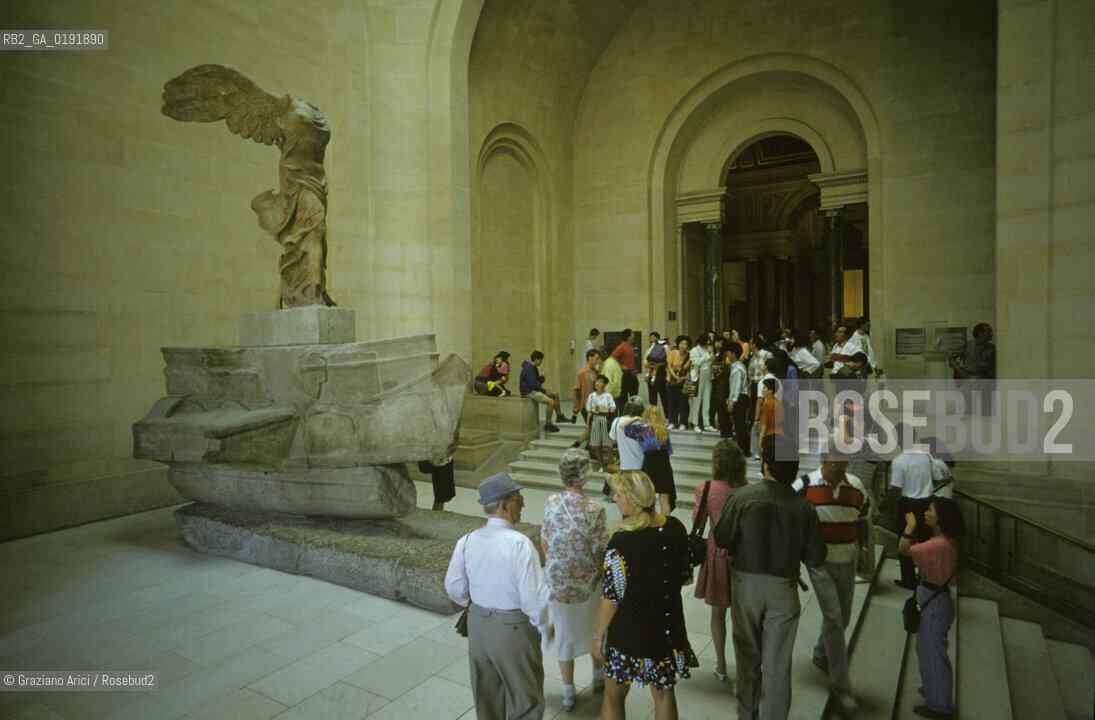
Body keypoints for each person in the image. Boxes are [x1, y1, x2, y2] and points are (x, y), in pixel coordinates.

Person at [713, 434, 827, 720]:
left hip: (746, 586)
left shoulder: (742, 498)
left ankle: (746, 715)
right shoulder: (805, 508)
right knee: (778, 668)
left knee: (747, 658)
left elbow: (723, 537)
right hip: (783, 590)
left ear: (765, 465)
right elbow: (816, 558)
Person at [444, 472, 553, 720]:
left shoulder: (467, 540)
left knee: (487, 698)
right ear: (504, 505)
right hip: (513, 629)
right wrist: (545, 625)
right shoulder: (519, 543)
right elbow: (532, 599)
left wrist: (481, 608)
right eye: (518, 498)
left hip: (479, 627)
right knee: (525, 699)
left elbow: (454, 587)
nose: (523, 503)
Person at [593, 470, 698, 720]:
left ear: (636, 501)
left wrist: (598, 636)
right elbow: (684, 576)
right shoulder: (676, 527)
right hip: (667, 627)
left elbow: (612, 596)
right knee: (663, 692)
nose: (615, 497)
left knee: (613, 693)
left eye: (619, 493)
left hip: (630, 632)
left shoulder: (622, 541)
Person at [792, 447, 871, 709]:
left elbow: (863, 519)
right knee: (835, 618)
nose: (840, 472)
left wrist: (865, 549)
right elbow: (786, 513)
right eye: (834, 466)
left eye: (844, 466)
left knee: (843, 617)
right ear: (822, 461)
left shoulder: (857, 487)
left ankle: (821, 653)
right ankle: (841, 686)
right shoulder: (804, 485)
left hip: (846, 559)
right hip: (819, 563)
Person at [541, 448, 610, 711]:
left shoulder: (551, 502)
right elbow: (598, 551)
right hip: (587, 586)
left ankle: (568, 693)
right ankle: (599, 678)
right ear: (585, 475)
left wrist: (559, 566)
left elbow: (545, 541)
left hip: (558, 585)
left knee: (564, 636)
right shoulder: (596, 509)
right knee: (596, 631)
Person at [898, 497, 966, 720]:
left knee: (933, 655)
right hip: (935, 598)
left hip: (934, 602)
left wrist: (909, 527)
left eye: (930, 510)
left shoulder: (938, 545)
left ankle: (939, 707)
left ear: (940, 518)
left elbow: (903, 549)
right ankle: (934, 690)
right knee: (927, 651)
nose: (925, 513)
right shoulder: (945, 540)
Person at [693, 439, 748, 684]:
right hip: (744, 553)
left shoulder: (706, 488)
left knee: (718, 612)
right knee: (741, 614)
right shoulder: (748, 489)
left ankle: (721, 665)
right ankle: (745, 665)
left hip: (717, 551)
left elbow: (698, 520)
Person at [884, 423, 944, 589]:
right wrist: (924, 484)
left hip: (908, 506)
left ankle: (908, 580)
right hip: (926, 504)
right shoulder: (927, 456)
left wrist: (884, 503)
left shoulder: (900, 461)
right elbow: (939, 478)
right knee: (925, 541)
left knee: (905, 539)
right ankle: (926, 578)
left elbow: (896, 490)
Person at [620, 405, 677, 514]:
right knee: (665, 500)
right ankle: (664, 527)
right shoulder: (663, 430)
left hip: (649, 463)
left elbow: (622, 426)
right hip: (664, 464)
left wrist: (636, 418)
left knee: (648, 499)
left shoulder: (641, 429)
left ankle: (651, 525)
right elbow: (669, 452)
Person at [603, 396, 646, 496]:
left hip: (625, 468)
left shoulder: (616, 421)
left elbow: (613, 441)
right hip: (641, 467)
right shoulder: (642, 424)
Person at [948, 322, 995, 414]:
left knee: (986, 409)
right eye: (989, 332)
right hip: (970, 379)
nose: (991, 334)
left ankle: (986, 427)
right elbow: (951, 356)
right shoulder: (967, 345)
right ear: (979, 333)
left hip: (985, 380)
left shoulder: (992, 349)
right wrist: (958, 369)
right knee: (968, 408)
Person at [520, 350, 567, 433]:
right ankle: (548, 425)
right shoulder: (528, 369)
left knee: (555, 394)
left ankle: (559, 416)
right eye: (541, 360)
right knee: (551, 402)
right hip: (529, 392)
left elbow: (536, 382)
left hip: (533, 389)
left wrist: (542, 377)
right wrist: (544, 390)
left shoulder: (533, 368)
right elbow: (533, 385)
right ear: (536, 359)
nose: (541, 362)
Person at [586, 375, 618, 472]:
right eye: (597, 381)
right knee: (597, 445)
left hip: (605, 420)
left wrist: (601, 411)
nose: (597, 383)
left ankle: (611, 465)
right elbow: (589, 411)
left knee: (609, 445)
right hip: (595, 420)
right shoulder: (591, 396)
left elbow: (612, 410)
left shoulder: (608, 395)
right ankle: (601, 465)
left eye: (600, 382)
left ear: (604, 384)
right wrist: (588, 425)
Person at [724, 342, 750, 455]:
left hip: (739, 398)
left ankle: (744, 450)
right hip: (741, 397)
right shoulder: (738, 366)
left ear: (733, 354)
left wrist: (731, 402)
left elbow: (736, 387)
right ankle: (743, 449)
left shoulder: (737, 369)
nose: (727, 355)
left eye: (728, 353)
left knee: (740, 426)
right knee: (740, 425)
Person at [571, 348, 600, 441]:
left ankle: (589, 446)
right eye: (596, 358)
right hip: (585, 405)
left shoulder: (595, 372)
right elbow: (576, 389)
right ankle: (585, 446)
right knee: (591, 426)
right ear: (590, 358)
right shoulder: (581, 373)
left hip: (595, 404)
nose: (598, 361)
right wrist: (575, 405)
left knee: (593, 427)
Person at [689, 333, 715, 433]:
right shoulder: (695, 350)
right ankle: (695, 423)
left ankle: (706, 423)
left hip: (708, 375)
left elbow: (711, 362)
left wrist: (710, 357)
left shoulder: (710, 350)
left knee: (707, 400)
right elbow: (697, 363)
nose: (709, 342)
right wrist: (707, 355)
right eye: (707, 340)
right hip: (698, 376)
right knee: (696, 400)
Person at [665, 336, 692, 429]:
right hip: (671, 381)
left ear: (688, 346)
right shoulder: (672, 353)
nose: (682, 346)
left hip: (684, 382)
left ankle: (683, 423)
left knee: (683, 402)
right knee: (672, 402)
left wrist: (683, 378)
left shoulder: (690, 356)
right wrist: (676, 377)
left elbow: (691, 369)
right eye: (681, 343)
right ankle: (672, 421)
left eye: (685, 344)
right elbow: (669, 367)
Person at [756, 377, 784, 457]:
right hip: (780, 433)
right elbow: (782, 421)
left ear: (770, 390)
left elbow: (764, 422)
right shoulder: (779, 403)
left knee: (766, 457)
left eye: (764, 388)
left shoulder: (767, 404)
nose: (762, 390)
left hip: (769, 433)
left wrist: (761, 436)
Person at [644, 332, 669, 413]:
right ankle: (653, 416)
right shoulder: (648, 350)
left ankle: (667, 417)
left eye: (654, 337)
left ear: (658, 339)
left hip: (661, 373)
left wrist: (658, 365)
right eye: (650, 337)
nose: (652, 339)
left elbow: (666, 362)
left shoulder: (664, 348)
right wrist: (654, 366)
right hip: (651, 373)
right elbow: (645, 363)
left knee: (664, 396)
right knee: (652, 397)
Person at [599, 346, 625, 415]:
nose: (599, 356)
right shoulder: (614, 362)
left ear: (605, 353)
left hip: (610, 397)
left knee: (610, 419)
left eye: (600, 353)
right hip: (616, 395)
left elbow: (608, 383)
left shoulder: (608, 366)